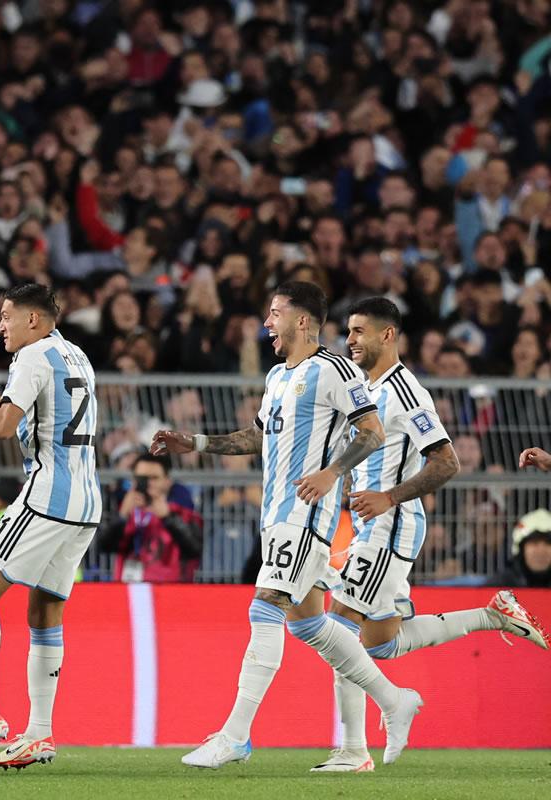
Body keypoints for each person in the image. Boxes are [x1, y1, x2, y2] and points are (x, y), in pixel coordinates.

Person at [151, 281, 422, 769]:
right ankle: (394, 699)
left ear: (302, 320)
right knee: (310, 625)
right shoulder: (278, 376)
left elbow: (373, 431)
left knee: (265, 607)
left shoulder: (335, 369)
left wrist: (332, 472)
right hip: (275, 516)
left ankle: (235, 735)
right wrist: (194, 442)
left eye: (274, 314)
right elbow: (257, 436)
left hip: (306, 514)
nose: (266, 324)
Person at [314, 297, 546, 773]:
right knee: (380, 643)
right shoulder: (361, 387)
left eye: (359, 331)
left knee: (337, 626)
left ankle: (356, 749)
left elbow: (447, 462)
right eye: (348, 331)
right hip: (371, 521)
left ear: (387, 335)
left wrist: (389, 497)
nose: (350, 340)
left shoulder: (406, 392)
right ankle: (491, 615)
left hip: (390, 523)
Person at [0, 283, 102, 769]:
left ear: (34, 320)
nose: (0, 325)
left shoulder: (31, 356)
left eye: (8, 316)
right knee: (44, 613)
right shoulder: (77, 357)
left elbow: (4, 430)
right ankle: (41, 734)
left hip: (46, 497)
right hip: (86, 502)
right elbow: (47, 424)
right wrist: (7, 403)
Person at [102, 454, 203, 583]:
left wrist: (168, 518)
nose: (148, 483)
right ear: (133, 480)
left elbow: (194, 550)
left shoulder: (181, 511)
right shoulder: (127, 510)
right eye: (142, 478)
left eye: (154, 478)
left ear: (168, 481)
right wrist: (122, 517)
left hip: (170, 591)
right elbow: (105, 547)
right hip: (129, 590)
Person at [492, 510, 551, 588]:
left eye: (548, 543)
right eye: (534, 543)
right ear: (521, 550)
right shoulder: (498, 587)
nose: (541, 551)